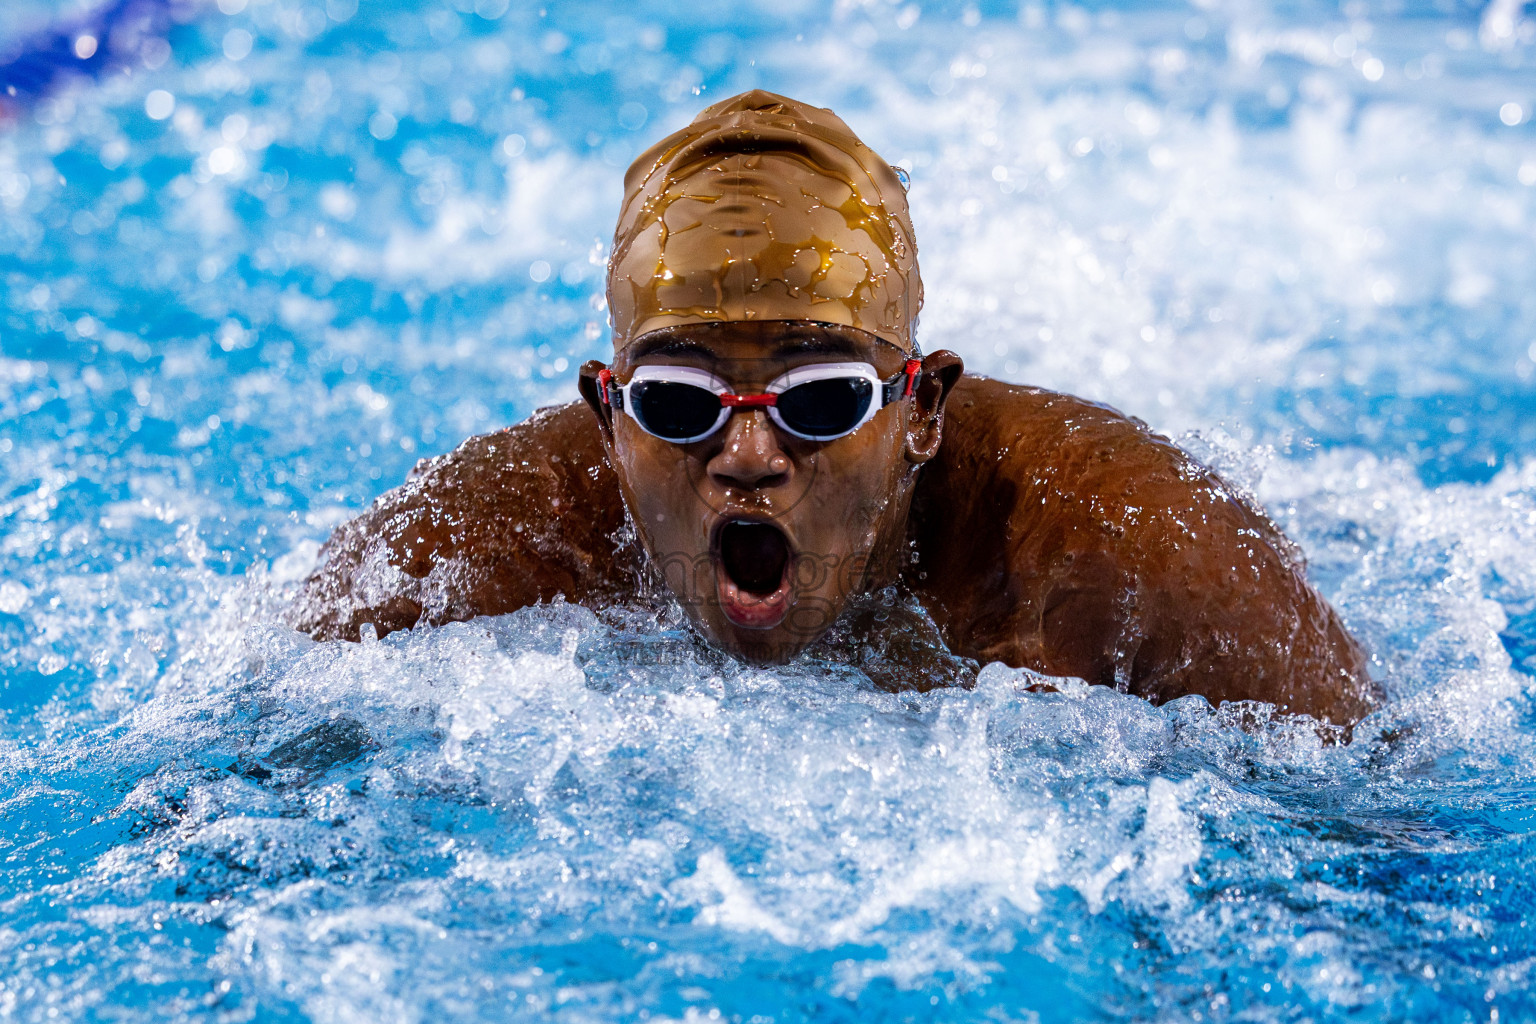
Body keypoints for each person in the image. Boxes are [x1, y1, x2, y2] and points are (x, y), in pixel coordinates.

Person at [289, 90, 1374, 727]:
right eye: (678, 402)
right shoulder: (484, 549)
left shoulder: (1135, 557)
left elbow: (1392, 845)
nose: (748, 454)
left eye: (821, 399)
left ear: (923, 408)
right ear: (605, 419)